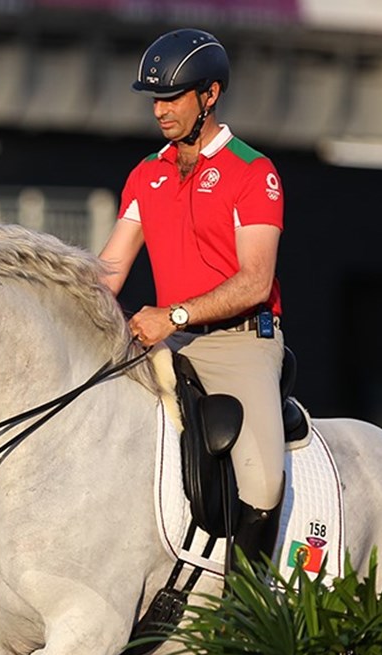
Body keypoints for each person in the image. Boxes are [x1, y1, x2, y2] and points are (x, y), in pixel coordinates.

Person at [98, 28, 286, 571]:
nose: (160, 110)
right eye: (155, 98)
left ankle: (243, 621)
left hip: (239, 344)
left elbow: (254, 281)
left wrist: (174, 314)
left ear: (210, 95)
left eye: (172, 97)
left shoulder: (254, 172)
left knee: (264, 479)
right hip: (163, 339)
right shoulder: (145, 174)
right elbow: (108, 272)